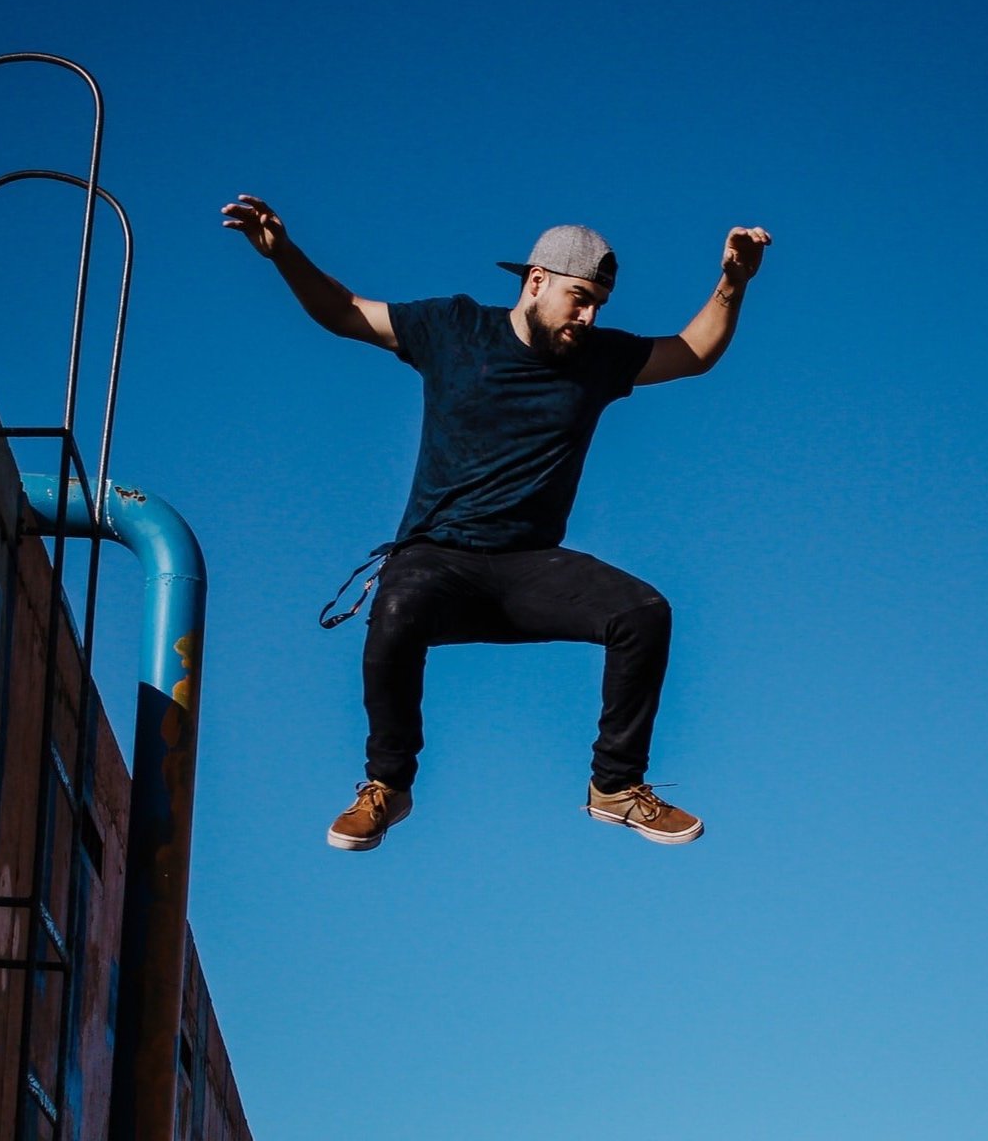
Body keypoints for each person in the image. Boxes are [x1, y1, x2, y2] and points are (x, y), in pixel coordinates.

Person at [222, 197, 771, 851]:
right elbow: (344, 312)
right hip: (439, 560)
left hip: (529, 567)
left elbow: (693, 352)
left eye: (599, 303)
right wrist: (282, 251)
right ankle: (386, 786)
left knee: (644, 611)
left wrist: (732, 282)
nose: (589, 316)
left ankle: (615, 787)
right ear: (536, 282)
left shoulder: (598, 358)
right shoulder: (453, 328)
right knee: (398, 602)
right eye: (578, 298)